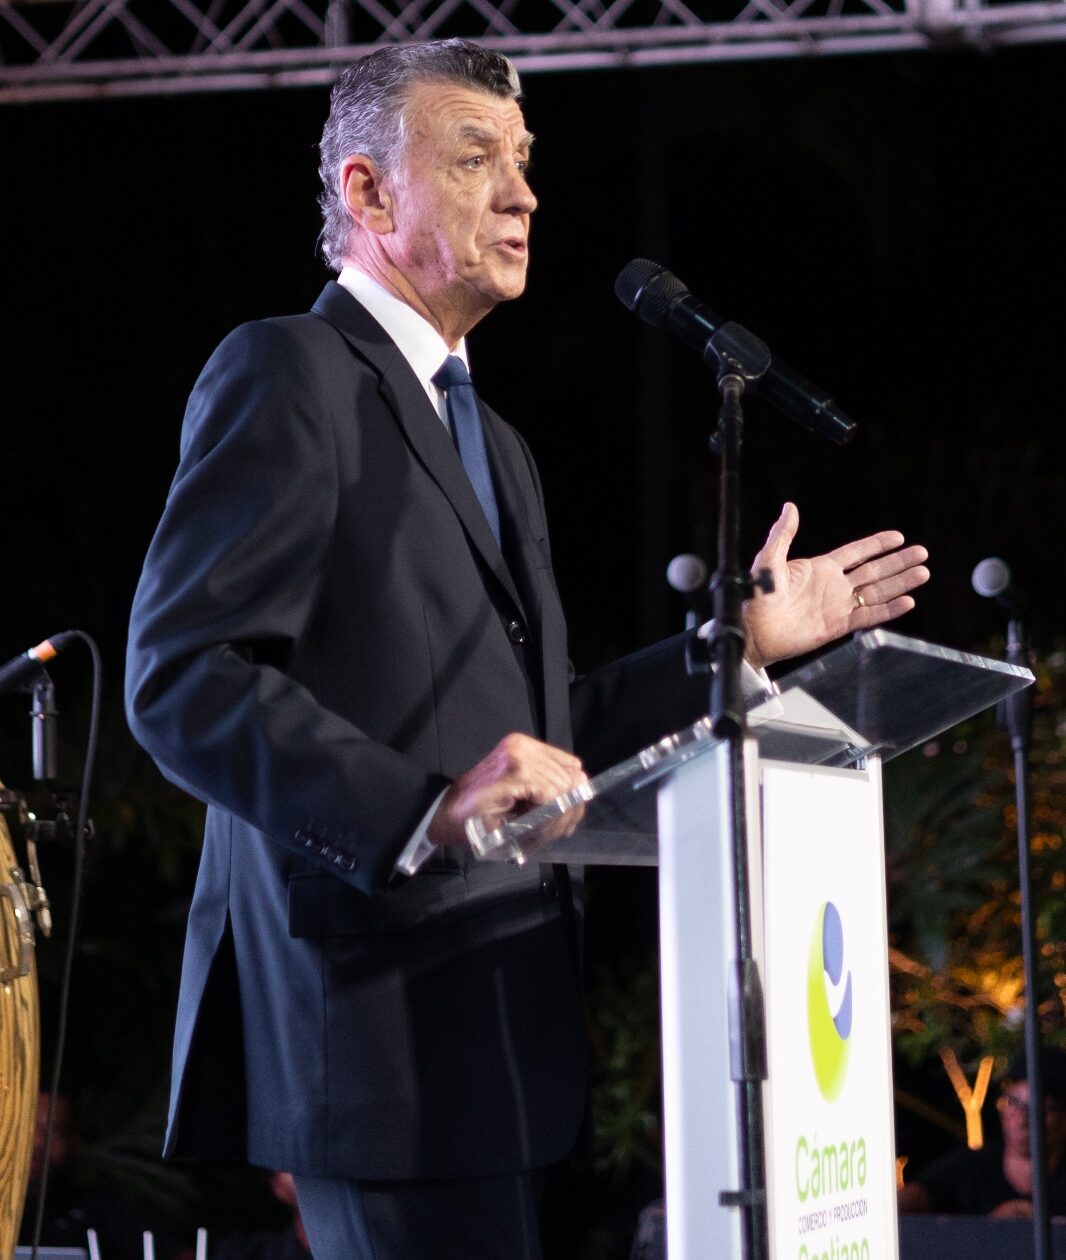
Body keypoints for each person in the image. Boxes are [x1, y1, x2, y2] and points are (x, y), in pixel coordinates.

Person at [125, 38, 930, 1259]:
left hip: (498, 1029)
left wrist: (739, 645)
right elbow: (180, 678)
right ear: (366, 193)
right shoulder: (288, 372)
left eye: (526, 161)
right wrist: (424, 811)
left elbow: (543, 731)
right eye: (476, 158)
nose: (524, 193)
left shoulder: (493, 443)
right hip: (377, 1027)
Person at [899, 1051, 1066, 1217]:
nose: (1021, 1119)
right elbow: (919, 1194)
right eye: (1013, 1102)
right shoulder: (970, 1168)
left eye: (1040, 1109)